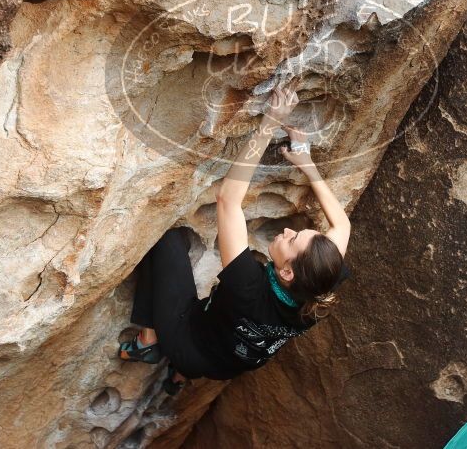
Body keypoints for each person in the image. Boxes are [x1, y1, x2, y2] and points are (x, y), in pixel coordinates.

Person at [118, 79, 352, 395]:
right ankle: (178, 378)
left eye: (292, 239)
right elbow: (342, 227)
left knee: (171, 242)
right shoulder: (320, 288)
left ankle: (149, 343)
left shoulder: (248, 286)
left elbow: (228, 199)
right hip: (229, 365)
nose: (287, 231)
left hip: (190, 343)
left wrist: (268, 124)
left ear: (287, 271)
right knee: (224, 325)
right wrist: (306, 162)